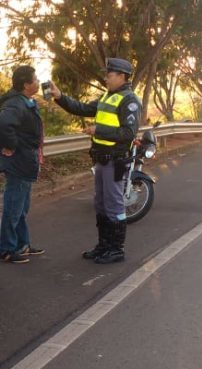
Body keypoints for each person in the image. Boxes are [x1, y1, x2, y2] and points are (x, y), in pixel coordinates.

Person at [48, 57, 142, 264]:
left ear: (121, 76)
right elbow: (81, 108)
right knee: (100, 204)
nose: (106, 78)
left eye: (109, 74)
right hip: (101, 159)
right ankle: (103, 245)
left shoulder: (130, 101)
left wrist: (98, 130)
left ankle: (116, 249)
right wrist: (59, 96)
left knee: (114, 204)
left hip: (117, 161)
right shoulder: (107, 97)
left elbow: (128, 133)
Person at [0, 65, 45, 264]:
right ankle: (6, 249)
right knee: (14, 207)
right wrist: (13, 145)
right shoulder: (15, 104)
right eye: (35, 79)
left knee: (22, 207)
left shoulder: (25, 101)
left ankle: (23, 244)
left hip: (25, 161)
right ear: (26, 84)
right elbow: (4, 125)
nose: (38, 82)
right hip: (19, 162)